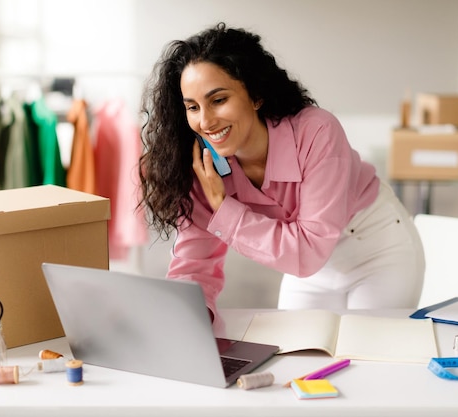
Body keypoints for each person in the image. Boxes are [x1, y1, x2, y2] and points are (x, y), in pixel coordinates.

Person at [138, 22, 425, 323]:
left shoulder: (316, 131)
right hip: (310, 269)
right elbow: (194, 263)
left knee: (368, 354)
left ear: (256, 95)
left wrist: (225, 209)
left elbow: (308, 250)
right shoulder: (202, 166)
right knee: (298, 358)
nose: (206, 121)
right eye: (193, 107)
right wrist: (187, 320)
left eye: (218, 100)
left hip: (376, 250)